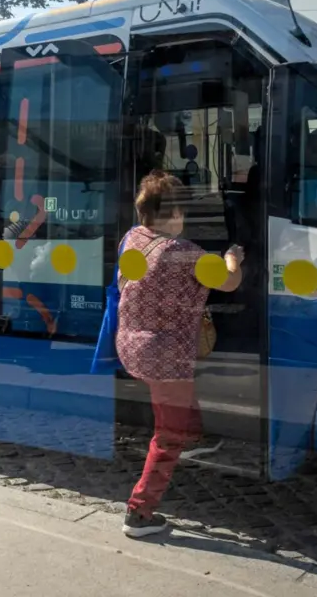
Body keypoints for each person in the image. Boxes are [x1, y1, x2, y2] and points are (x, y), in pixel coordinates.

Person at [116, 171, 243, 538]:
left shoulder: (132, 238)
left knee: (179, 400)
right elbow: (229, 281)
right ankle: (139, 513)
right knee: (167, 435)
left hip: (131, 345)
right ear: (173, 213)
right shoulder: (182, 252)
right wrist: (233, 257)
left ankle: (195, 434)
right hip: (164, 355)